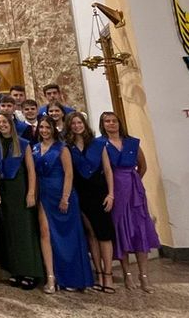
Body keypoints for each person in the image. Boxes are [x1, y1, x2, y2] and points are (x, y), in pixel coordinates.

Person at [99, 111, 160, 293]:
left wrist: (134, 181)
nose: (111, 124)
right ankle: (127, 274)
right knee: (121, 230)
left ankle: (144, 276)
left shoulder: (132, 142)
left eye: (114, 121)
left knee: (139, 230)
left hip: (133, 189)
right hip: (115, 189)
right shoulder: (100, 144)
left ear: (119, 123)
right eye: (107, 121)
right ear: (103, 125)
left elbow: (142, 165)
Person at [33, 116, 93, 293]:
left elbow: (69, 173)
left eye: (47, 127)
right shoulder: (35, 148)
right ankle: (51, 276)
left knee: (69, 237)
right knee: (45, 233)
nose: (44, 130)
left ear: (53, 129)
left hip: (63, 195)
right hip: (45, 195)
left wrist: (65, 198)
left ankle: (73, 277)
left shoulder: (62, 148)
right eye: (41, 127)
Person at [0, 114, 44, 290]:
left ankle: (30, 271)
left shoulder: (23, 143)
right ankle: (16, 270)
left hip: (20, 190)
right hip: (3, 191)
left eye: (4, 122)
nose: (2, 125)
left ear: (11, 124)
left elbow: (31, 170)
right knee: (9, 232)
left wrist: (31, 192)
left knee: (25, 231)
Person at [65, 112, 116, 294]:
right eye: (73, 123)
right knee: (91, 233)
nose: (77, 126)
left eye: (79, 123)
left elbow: (108, 170)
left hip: (99, 192)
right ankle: (99, 273)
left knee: (104, 233)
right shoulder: (68, 147)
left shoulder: (98, 144)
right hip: (81, 193)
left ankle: (108, 275)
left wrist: (111, 194)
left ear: (84, 124)